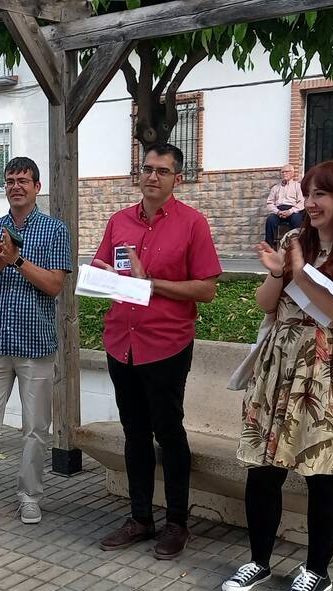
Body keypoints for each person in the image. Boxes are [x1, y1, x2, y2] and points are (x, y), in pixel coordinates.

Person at [220, 159, 333, 591]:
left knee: (323, 475)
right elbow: (265, 304)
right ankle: (259, 561)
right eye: (307, 193)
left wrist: (301, 276)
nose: (310, 203)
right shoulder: (296, 241)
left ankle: (317, 571)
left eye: (320, 194)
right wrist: (279, 272)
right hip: (281, 365)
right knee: (263, 469)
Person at [91, 143, 222, 561]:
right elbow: (100, 269)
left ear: (176, 179)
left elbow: (207, 289)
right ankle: (140, 518)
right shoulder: (119, 222)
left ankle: (178, 523)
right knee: (134, 433)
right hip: (121, 342)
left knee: (169, 433)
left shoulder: (192, 224)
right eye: (146, 168)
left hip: (167, 344)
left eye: (162, 171)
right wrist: (105, 276)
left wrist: (152, 285)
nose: (151, 176)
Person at [0, 157, 71, 525]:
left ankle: (30, 496)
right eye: (10, 180)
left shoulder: (55, 231)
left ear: (37, 187)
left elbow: (55, 285)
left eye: (23, 180)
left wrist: (16, 260)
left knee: (35, 430)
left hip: (36, 346)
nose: (15, 186)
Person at [264, 165, 304, 247]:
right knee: (270, 220)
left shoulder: (298, 186)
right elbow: (269, 203)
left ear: (292, 173)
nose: (284, 173)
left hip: (293, 210)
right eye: (282, 172)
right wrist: (278, 212)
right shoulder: (275, 188)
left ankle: (295, 247)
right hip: (279, 210)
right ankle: (269, 247)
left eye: (287, 171)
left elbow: (302, 202)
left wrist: (290, 211)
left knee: (297, 220)